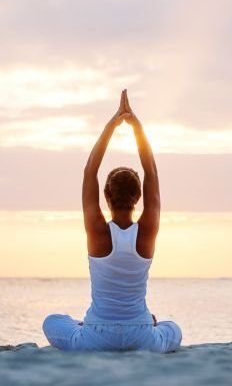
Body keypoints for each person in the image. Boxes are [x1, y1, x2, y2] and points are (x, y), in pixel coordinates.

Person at [42, 89, 182, 353]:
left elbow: (89, 170)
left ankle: (83, 325)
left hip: (96, 335)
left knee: (52, 321)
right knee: (174, 329)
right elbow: (151, 169)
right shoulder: (147, 232)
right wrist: (136, 126)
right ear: (139, 197)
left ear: (105, 196)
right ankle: (149, 324)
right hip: (141, 335)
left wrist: (113, 124)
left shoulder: (97, 232)